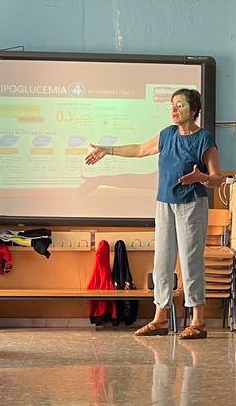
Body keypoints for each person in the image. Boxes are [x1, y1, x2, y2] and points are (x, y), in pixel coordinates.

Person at [85, 88, 219, 340]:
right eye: (172, 105)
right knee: (162, 262)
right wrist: (107, 150)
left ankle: (198, 322)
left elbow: (217, 178)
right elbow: (138, 149)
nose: (174, 109)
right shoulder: (167, 134)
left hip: (192, 204)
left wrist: (201, 177)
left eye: (180, 105)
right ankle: (160, 318)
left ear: (193, 110)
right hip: (165, 203)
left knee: (191, 262)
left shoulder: (204, 138)